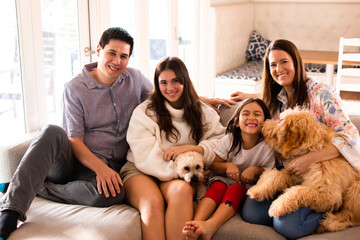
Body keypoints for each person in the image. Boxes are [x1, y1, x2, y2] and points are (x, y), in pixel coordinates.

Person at [0, 27, 153, 240]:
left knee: (114, 193)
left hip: (100, 172)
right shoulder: (75, 88)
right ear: (99, 50)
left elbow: (163, 97)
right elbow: (74, 140)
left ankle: (36, 187)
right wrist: (101, 169)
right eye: (112, 53)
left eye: (123, 56)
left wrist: (197, 101)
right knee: (52, 131)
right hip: (71, 161)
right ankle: (10, 210)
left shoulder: (135, 79)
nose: (117, 61)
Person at [231, 39, 360, 239]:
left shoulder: (323, 94)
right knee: (251, 212)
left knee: (289, 226)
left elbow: (350, 136)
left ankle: (330, 208)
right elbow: (266, 97)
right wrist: (246, 96)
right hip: (291, 173)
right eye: (273, 65)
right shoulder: (277, 99)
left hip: (326, 177)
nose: (278, 69)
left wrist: (310, 159)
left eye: (284, 62)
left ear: (296, 63)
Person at [120, 56, 226, 240]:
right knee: (153, 203)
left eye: (176, 81)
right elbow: (146, 157)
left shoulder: (202, 111)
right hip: (140, 170)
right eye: (164, 82)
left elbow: (222, 140)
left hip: (176, 176)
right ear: (157, 84)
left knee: (183, 190)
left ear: (185, 80)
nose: (170, 88)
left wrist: (196, 150)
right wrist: (184, 171)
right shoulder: (145, 112)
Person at [182, 98, 275, 240]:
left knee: (234, 190)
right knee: (217, 187)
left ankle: (211, 226)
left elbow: (270, 172)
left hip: (246, 185)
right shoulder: (229, 139)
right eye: (246, 114)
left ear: (265, 122)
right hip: (222, 178)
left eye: (257, 114)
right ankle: (196, 223)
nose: (251, 117)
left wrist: (255, 170)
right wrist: (227, 166)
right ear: (237, 122)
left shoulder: (267, 147)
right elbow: (215, 165)